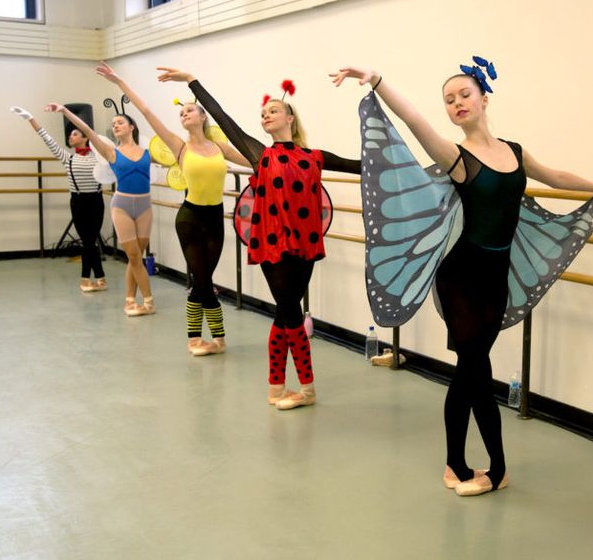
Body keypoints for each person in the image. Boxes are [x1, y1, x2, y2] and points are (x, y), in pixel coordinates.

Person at [331, 62, 593, 496]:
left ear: (484, 98)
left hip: (496, 277)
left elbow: (554, 177)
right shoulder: (456, 158)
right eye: (449, 100)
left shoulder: (515, 151)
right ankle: (482, 466)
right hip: (460, 278)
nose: (456, 104)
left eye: (464, 95)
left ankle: (474, 465)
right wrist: (377, 80)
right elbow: (414, 121)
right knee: (473, 368)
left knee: (472, 370)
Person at [157, 68, 361, 408]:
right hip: (273, 245)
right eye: (263, 113)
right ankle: (306, 389)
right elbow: (222, 115)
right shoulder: (260, 155)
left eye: (273, 111)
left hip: (306, 244)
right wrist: (193, 81)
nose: (266, 116)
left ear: (290, 119)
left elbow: (359, 165)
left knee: (285, 315)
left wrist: (403, 164)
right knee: (290, 313)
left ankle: (277, 385)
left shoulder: (315, 157)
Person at [95, 62, 252, 356]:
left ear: (203, 116)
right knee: (202, 279)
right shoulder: (179, 146)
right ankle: (202, 338)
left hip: (215, 218)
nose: (184, 114)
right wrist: (118, 81)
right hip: (190, 218)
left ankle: (214, 340)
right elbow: (145, 111)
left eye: (189, 110)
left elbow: (256, 160)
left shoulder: (220, 148)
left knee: (205, 280)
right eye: (181, 113)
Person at [45, 95, 155, 317]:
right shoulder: (110, 151)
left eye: (120, 122)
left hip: (145, 205)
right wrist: (65, 111)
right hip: (122, 204)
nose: (115, 125)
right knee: (133, 256)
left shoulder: (147, 152)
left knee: (136, 257)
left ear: (132, 126)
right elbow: (87, 129)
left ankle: (129, 299)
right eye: (113, 124)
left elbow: (172, 157)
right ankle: (149, 301)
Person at [11, 106, 107, 292]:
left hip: (96, 201)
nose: (71, 137)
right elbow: (46, 139)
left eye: (75, 134)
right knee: (87, 241)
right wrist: (31, 118)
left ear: (86, 137)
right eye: (70, 135)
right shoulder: (68, 158)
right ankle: (92, 278)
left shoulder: (99, 157)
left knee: (90, 239)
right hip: (78, 202)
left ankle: (94, 279)